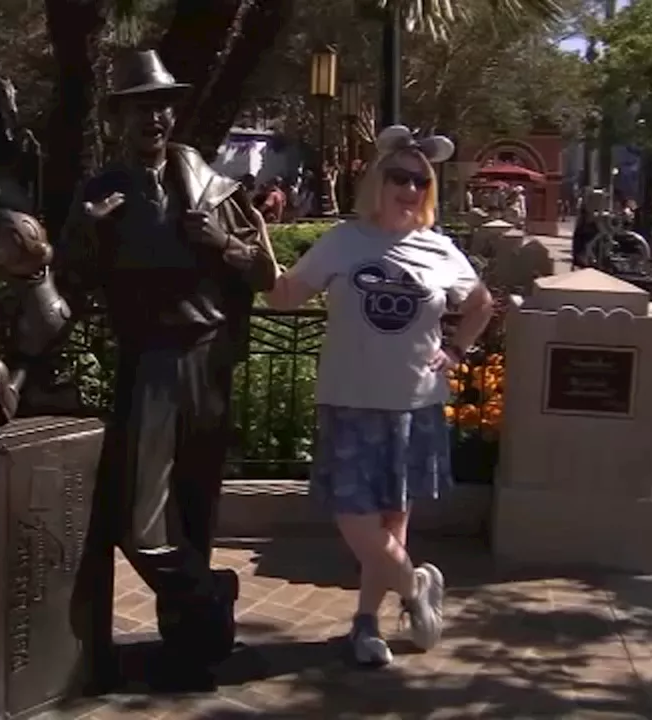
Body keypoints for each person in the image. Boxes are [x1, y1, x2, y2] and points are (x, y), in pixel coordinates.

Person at [56, 49, 278, 690]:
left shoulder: (214, 187)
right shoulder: (102, 193)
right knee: (140, 520)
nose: (154, 116)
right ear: (120, 118)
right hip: (149, 359)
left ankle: (192, 645)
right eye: (139, 107)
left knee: (195, 506)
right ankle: (210, 591)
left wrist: (223, 244)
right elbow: (69, 278)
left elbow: (265, 274)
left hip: (208, 359)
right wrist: (93, 236)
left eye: (161, 105)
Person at [266, 125, 494, 667]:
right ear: (378, 180)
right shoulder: (344, 241)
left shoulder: (440, 249)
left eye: (420, 181)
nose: (410, 189)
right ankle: (417, 588)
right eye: (400, 177)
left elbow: (482, 302)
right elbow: (285, 297)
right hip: (349, 401)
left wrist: (458, 351)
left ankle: (367, 623)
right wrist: (255, 255)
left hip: (414, 405)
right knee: (354, 518)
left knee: (392, 523)